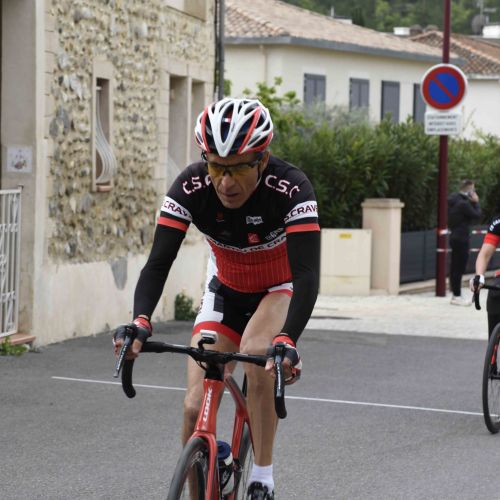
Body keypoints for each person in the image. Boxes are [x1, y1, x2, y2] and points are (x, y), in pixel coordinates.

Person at [114, 98, 320, 499]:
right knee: (194, 408)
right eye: (216, 167)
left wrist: (288, 338)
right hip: (225, 290)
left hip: (277, 290)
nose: (226, 182)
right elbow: (158, 263)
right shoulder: (191, 186)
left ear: (262, 160)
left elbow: (307, 274)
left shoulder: (291, 187)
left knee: (258, 353)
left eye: (239, 167)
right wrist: (140, 320)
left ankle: (262, 477)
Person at [448, 179, 481, 305]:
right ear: (470, 190)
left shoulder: (453, 200)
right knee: (459, 267)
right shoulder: (463, 204)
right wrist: (476, 203)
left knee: (454, 267)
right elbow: (477, 215)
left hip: (454, 236)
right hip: (462, 238)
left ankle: (455, 293)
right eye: (473, 189)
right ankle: (456, 296)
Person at [470, 214, 500, 337]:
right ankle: (493, 341)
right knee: (494, 295)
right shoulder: (498, 222)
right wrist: (479, 276)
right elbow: (485, 254)